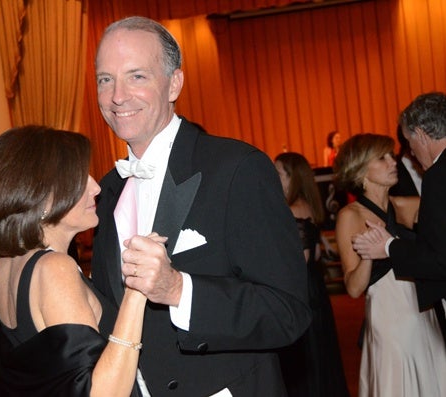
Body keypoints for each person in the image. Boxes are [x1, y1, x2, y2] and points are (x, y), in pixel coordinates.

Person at [91, 16, 311, 396]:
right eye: (105, 79)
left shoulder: (236, 168)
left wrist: (179, 290)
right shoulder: (108, 189)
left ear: (174, 83)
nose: (117, 96)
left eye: (136, 76)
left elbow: (287, 312)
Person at [0, 125, 157, 396]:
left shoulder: (7, 262)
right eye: (80, 178)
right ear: (43, 195)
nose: (95, 187)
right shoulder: (54, 268)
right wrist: (136, 290)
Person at [352, 92, 446, 396]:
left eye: (408, 141)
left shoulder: (440, 176)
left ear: (421, 134)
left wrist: (388, 248)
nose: (410, 153)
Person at [334, 133, 446, 396]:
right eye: (383, 157)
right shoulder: (350, 216)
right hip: (389, 319)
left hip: (424, 312)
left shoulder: (405, 206)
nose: (393, 162)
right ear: (360, 169)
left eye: (391, 155)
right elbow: (353, 288)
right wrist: (368, 254)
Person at [274, 152, 349, 397]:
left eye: (279, 172)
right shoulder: (308, 205)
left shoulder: (293, 210)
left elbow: (302, 258)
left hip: (302, 291)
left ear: (292, 177)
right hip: (315, 289)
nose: (274, 177)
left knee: (306, 362)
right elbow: (315, 254)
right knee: (319, 357)